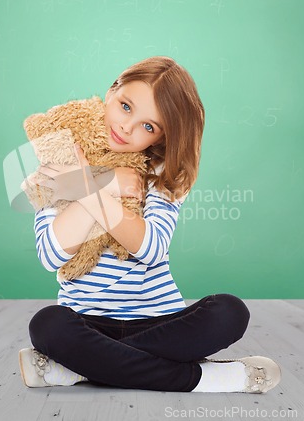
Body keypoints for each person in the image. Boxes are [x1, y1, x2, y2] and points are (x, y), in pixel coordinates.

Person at [18, 56, 281, 393]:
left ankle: (80, 370)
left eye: (148, 126)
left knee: (230, 311)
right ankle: (203, 379)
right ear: (112, 91)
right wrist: (103, 183)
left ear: (159, 138)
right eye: (126, 106)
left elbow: (151, 249)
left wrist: (84, 189)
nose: (128, 127)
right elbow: (51, 256)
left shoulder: (162, 177)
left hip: (161, 322)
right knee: (47, 325)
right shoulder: (60, 160)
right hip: (86, 323)